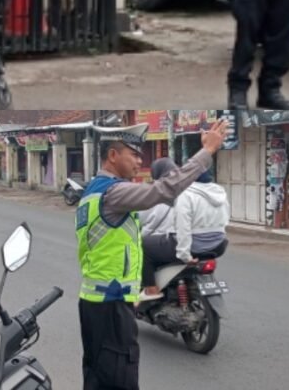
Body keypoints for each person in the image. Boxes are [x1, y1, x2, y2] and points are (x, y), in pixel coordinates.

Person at [76, 119, 229, 390]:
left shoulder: (94, 191)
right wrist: (206, 153)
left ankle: (149, 290)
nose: (139, 161)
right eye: (133, 154)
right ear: (113, 156)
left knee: (98, 376)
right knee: (120, 378)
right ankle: (151, 288)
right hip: (110, 304)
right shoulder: (115, 193)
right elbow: (164, 189)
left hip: (97, 300)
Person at [139, 159, 230, 298]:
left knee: (142, 245)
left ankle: (151, 289)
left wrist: (185, 255)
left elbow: (183, 228)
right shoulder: (220, 192)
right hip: (218, 246)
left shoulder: (184, 194)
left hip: (194, 246)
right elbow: (225, 220)